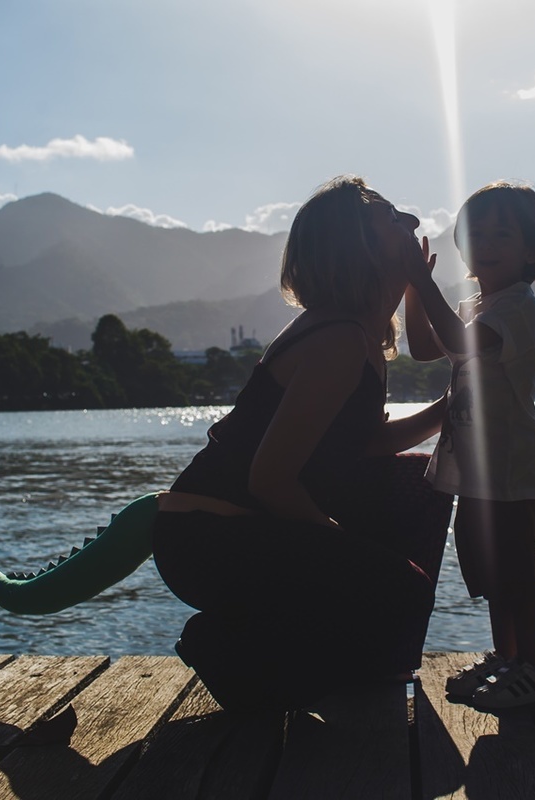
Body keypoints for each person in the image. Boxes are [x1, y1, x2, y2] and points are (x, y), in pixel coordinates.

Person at [152, 175, 453, 712]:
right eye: (391, 217)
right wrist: (341, 543)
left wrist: (448, 409)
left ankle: (376, 665)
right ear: (358, 245)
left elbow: (365, 444)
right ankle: (224, 646)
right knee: (399, 589)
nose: (411, 222)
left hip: (249, 525)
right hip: (208, 536)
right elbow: (269, 479)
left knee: (421, 479)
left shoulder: (360, 332)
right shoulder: (338, 339)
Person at [403, 180, 535, 710]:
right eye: (476, 235)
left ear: (531, 250)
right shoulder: (476, 305)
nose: (486, 244)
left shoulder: (518, 308)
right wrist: (414, 289)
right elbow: (424, 347)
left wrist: (422, 285)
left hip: (510, 468)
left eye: (502, 234)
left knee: (517, 570)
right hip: (474, 469)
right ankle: (508, 658)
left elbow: (459, 343)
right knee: (492, 572)